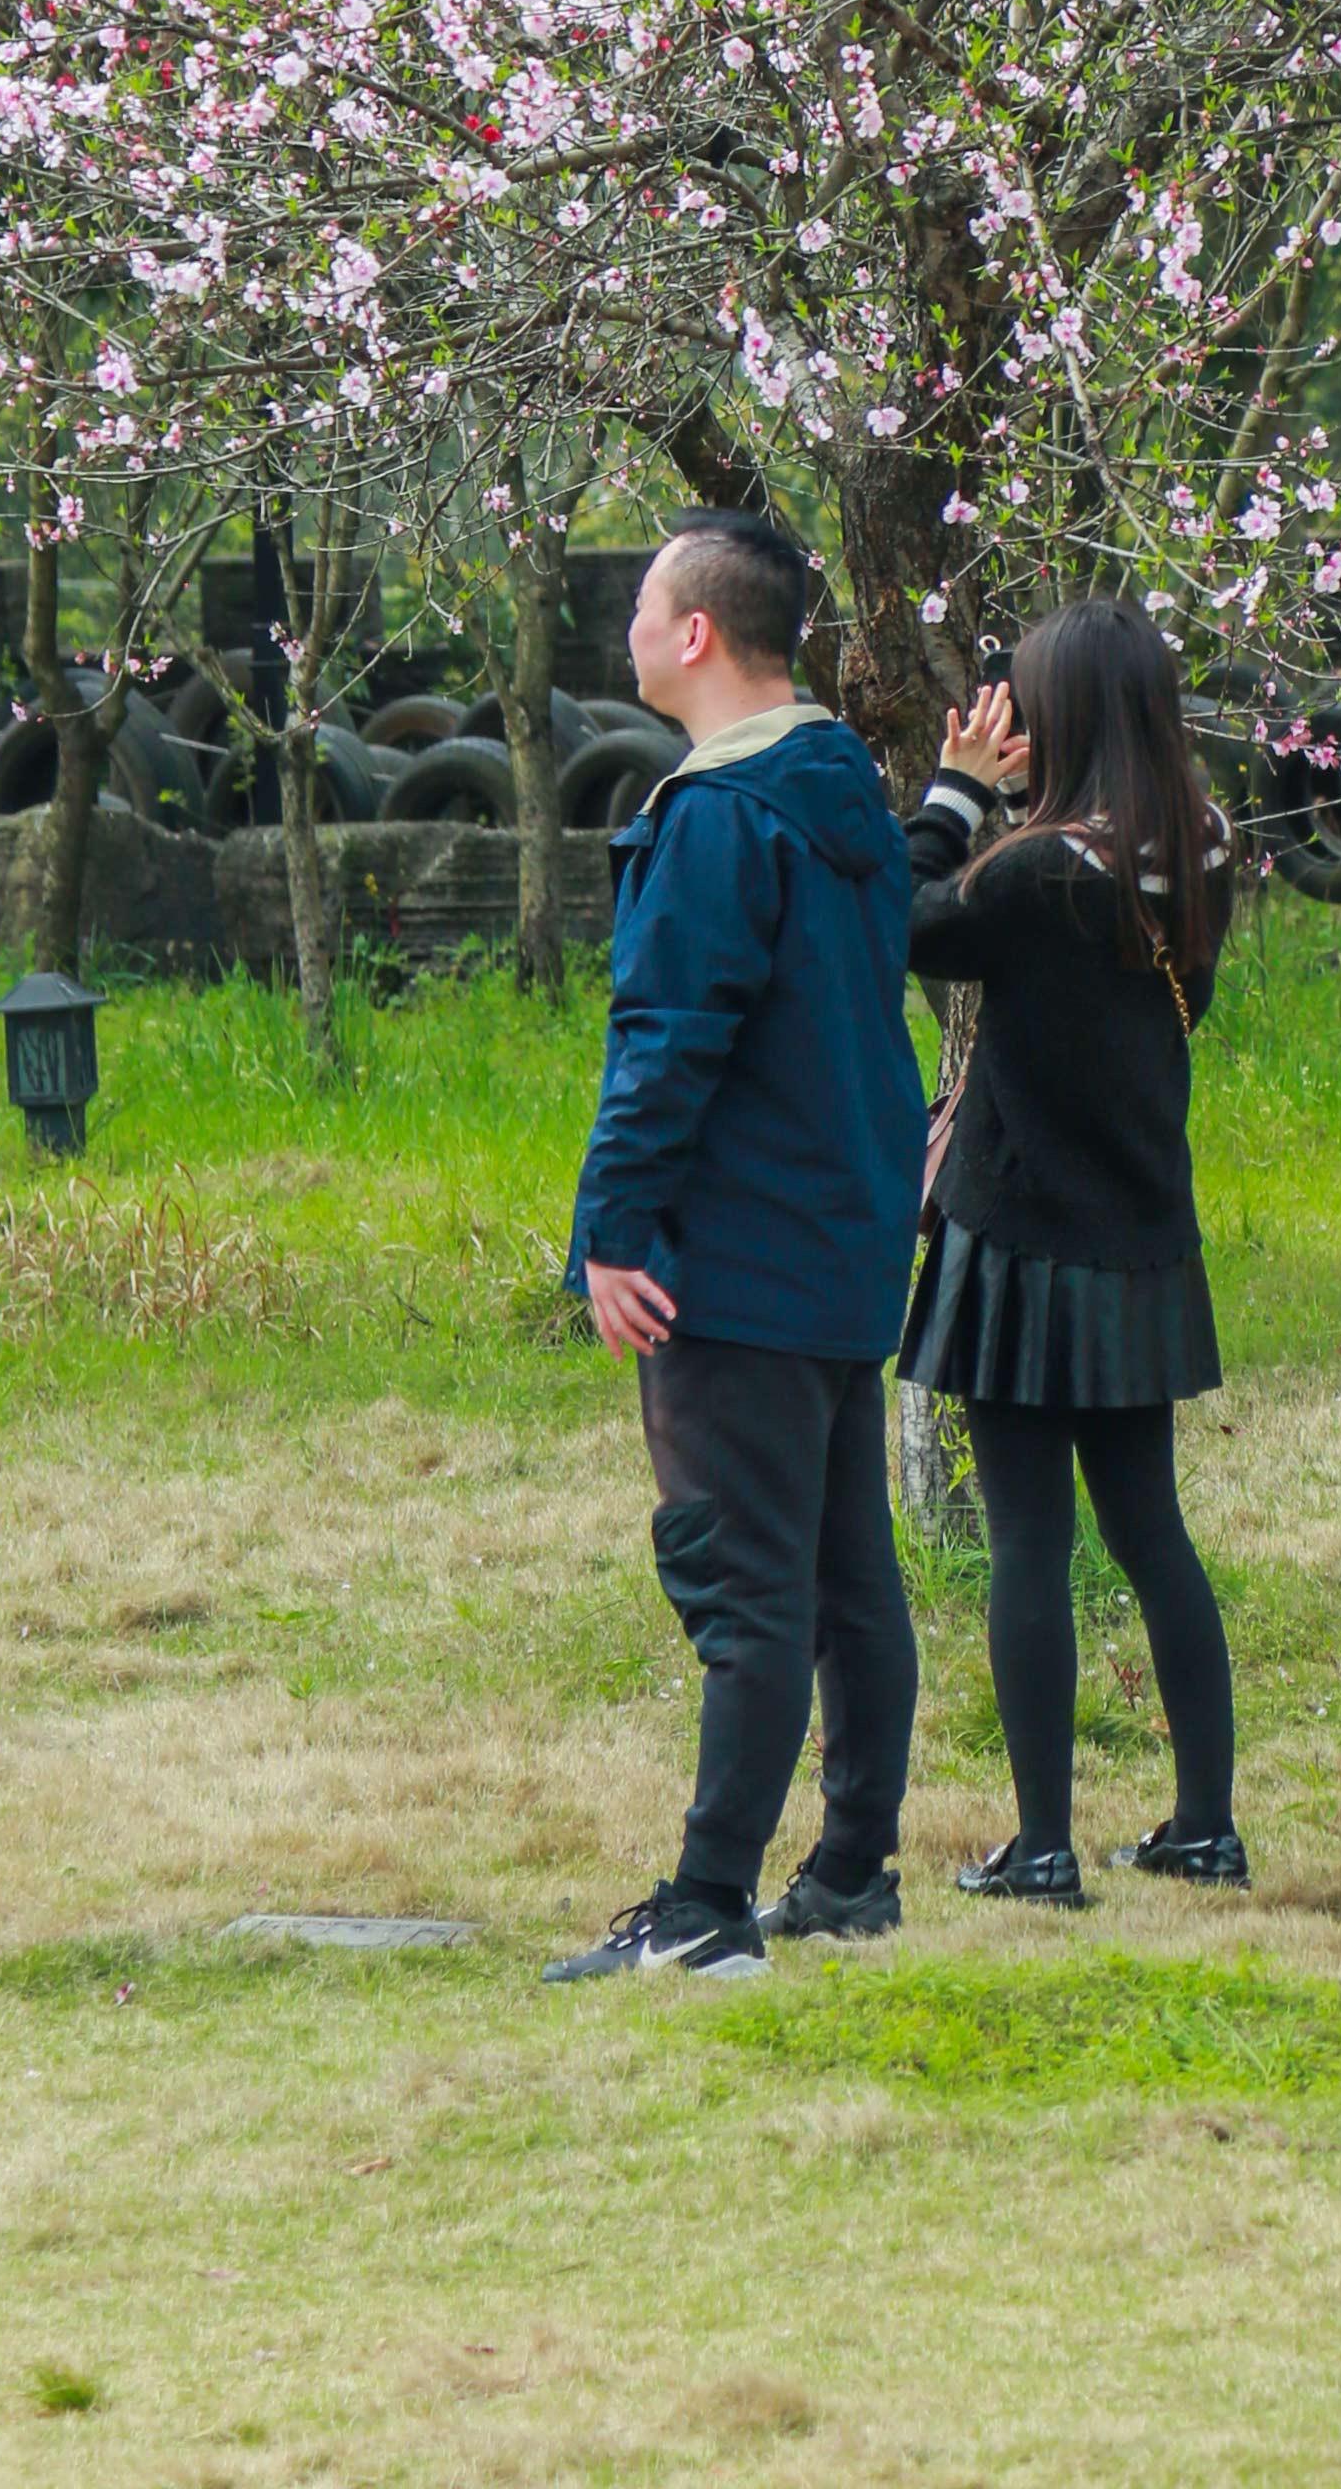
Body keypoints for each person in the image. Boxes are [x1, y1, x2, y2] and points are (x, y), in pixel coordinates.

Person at [548, 512, 927, 1985]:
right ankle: (849, 1875)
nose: (631, 627)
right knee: (847, 1579)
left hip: (738, 1262)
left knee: (746, 1586)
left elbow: (665, 1043)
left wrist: (610, 1234)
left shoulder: (718, 817)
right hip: (840, 1252)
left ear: (694, 633)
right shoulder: (846, 797)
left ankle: (707, 1908)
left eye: (645, 602)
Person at [899, 593, 1242, 1902]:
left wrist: (953, 790)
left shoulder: (1038, 872)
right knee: (1152, 1528)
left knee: (1031, 1541)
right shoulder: (1197, 843)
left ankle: (1043, 1845)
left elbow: (901, 915)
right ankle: (1204, 1823)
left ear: (1064, 715)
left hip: (1025, 1238)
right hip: (1142, 1230)